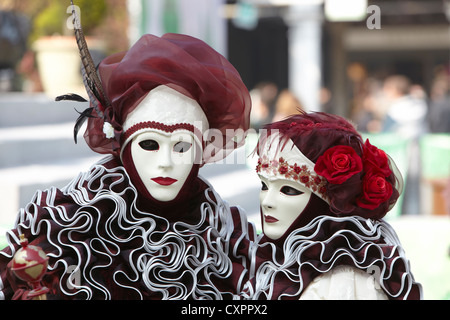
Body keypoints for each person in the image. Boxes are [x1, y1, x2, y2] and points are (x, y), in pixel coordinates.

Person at [0, 31, 256, 300]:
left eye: (182, 147)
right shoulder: (72, 228)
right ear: (124, 146)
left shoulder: (223, 232)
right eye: (149, 144)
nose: (166, 163)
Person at [246, 112, 422, 300]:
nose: (266, 202)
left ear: (329, 200)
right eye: (264, 185)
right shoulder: (274, 257)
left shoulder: (345, 280)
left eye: (288, 190)